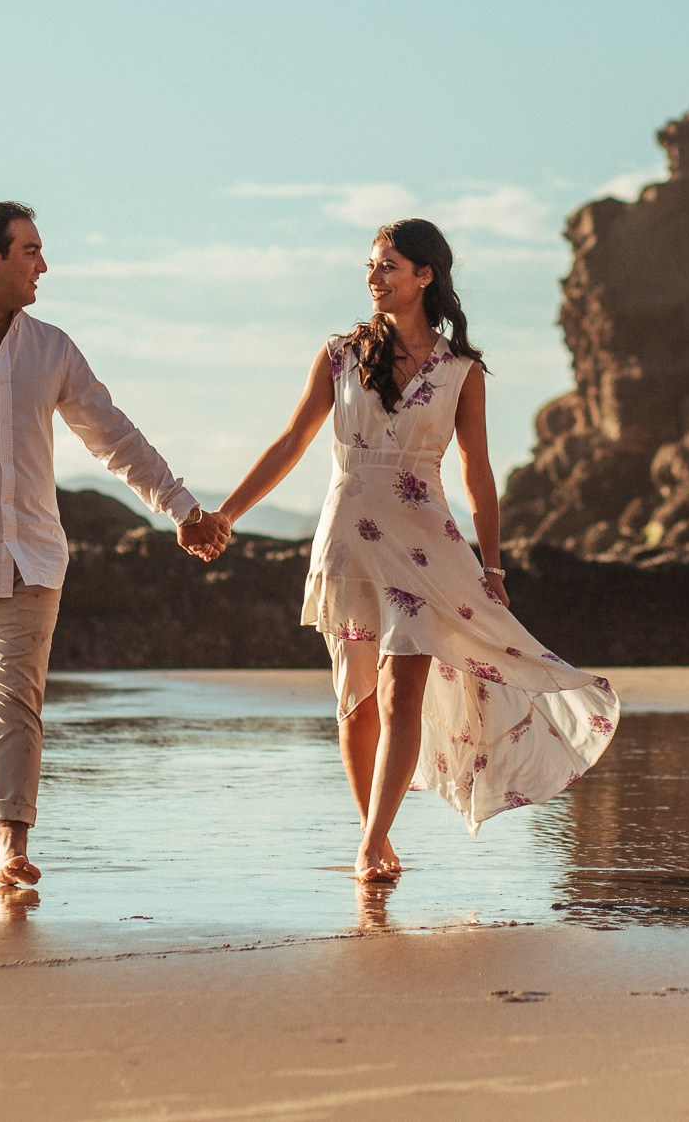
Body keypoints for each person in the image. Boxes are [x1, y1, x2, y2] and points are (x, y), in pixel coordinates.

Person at [201, 218, 617, 881]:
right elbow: (291, 442)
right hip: (349, 546)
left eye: (388, 265)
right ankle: (375, 830)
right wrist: (226, 514)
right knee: (357, 700)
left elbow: (478, 473)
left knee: (401, 696)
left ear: (425, 275)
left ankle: (372, 843)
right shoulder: (339, 355)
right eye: (370, 265)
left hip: (426, 547)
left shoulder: (461, 371)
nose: (374, 277)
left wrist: (493, 564)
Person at [0, 201, 229, 886]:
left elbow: (111, 434)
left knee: (16, 698)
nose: (43, 265)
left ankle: (12, 844)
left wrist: (180, 507)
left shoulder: (52, 348)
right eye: (30, 250)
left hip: (33, 551)